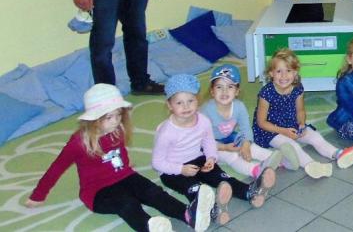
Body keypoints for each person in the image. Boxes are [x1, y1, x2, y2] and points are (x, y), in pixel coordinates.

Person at [26, 84, 215, 232]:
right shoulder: (78, 142)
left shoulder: (117, 130)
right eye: (109, 117)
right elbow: (56, 168)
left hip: (125, 176)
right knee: (127, 204)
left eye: (118, 115)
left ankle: (188, 215)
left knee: (153, 191)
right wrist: (38, 195)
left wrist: (125, 165)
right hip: (97, 192)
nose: (116, 121)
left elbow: (120, 152)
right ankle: (150, 227)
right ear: (94, 119)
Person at [152, 74, 274, 227]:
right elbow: (157, 163)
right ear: (170, 105)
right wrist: (180, 169)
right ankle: (213, 210)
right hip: (172, 170)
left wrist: (211, 157)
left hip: (198, 158)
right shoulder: (167, 132)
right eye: (179, 103)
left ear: (197, 101)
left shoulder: (202, 120)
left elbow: (208, 140)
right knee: (196, 189)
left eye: (190, 101)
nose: (186, 106)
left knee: (223, 177)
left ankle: (249, 192)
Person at [253, 49, 353, 179]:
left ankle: (339, 154)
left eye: (289, 71)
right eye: (279, 71)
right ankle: (312, 165)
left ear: (295, 72)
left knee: (315, 137)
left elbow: (300, 110)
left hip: (291, 124)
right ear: (271, 73)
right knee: (292, 146)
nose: (284, 76)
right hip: (270, 131)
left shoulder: (297, 88)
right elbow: (261, 122)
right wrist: (283, 131)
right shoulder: (266, 93)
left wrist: (302, 124)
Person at [200, 64, 300, 178]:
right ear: (212, 91)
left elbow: (246, 128)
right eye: (219, 87)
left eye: (230, 87)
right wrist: (224, 147)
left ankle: (283, 161)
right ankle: (256, 170)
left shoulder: (239, 106)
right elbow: (202, 139)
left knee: (252, 147)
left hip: (229, 137)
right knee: (231, 157)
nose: (224, 91)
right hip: (211, 144)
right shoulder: (206, 111)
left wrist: (246, 144)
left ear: (237, 91)